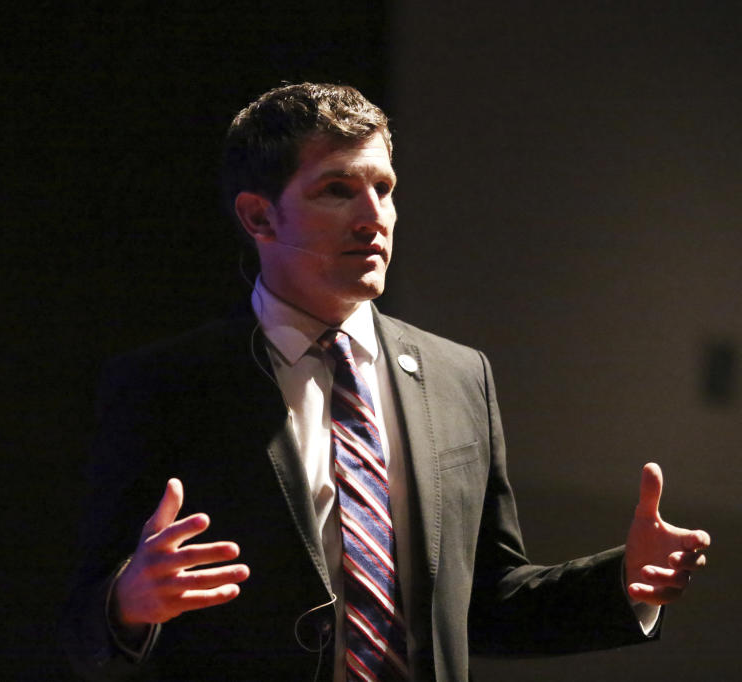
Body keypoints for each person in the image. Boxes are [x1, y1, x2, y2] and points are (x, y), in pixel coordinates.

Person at [60, 83, 711, 681]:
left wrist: (623, 582)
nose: (374, 217)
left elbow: (484, 601)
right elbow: (73, 623)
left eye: (385, 188)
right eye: (337, 190)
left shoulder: (460, 378)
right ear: (259, 218)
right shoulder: (166, 385)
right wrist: (128, 603)